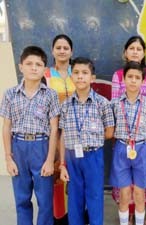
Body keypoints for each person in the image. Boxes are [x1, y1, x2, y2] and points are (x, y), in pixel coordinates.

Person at [0, 46, 60, 225]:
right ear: (21, 67)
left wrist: (50, 160)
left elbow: (54, 128)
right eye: (29, 63)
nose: (34, 68)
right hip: (18, 147)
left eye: (39, 64)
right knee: (22, 198)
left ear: (44, 69)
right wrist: (8, 158)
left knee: (45, 200)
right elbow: (6, 126)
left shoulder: (50, 95)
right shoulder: (10, 94)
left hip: (41, 147)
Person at [59, 57, 115, 225]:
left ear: (92, 78)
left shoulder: (102, 103)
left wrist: (92, 140)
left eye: (84, 73)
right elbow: (62, 135)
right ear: (71, 76)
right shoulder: (66, 105)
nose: (80, 76)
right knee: (74, 197)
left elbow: (110, 132)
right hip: (71, 157)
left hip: (93, 156)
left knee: (95, 197)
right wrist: (62, 163)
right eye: (76, 73)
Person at [111, 35, 146, 225]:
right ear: (125, 52)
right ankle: (126, 216)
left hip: (144, 140)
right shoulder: (117, 75)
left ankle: (139, 216)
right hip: (123, 138)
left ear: (144, 52)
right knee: (124, 186)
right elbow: (114, 109)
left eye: (139, 49)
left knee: (141, 185)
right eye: (131, 48)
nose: (135, 52)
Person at [44, 34, 75, 225]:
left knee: (76, 175)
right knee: (56, 175)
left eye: (66, 47)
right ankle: (58, 216)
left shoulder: (78, 71)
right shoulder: (45, 75)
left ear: (71, 51)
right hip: (53, 132)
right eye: (58, 47)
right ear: (52, 50)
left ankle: (78, 215)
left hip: (76, 133)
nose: (62, 51)